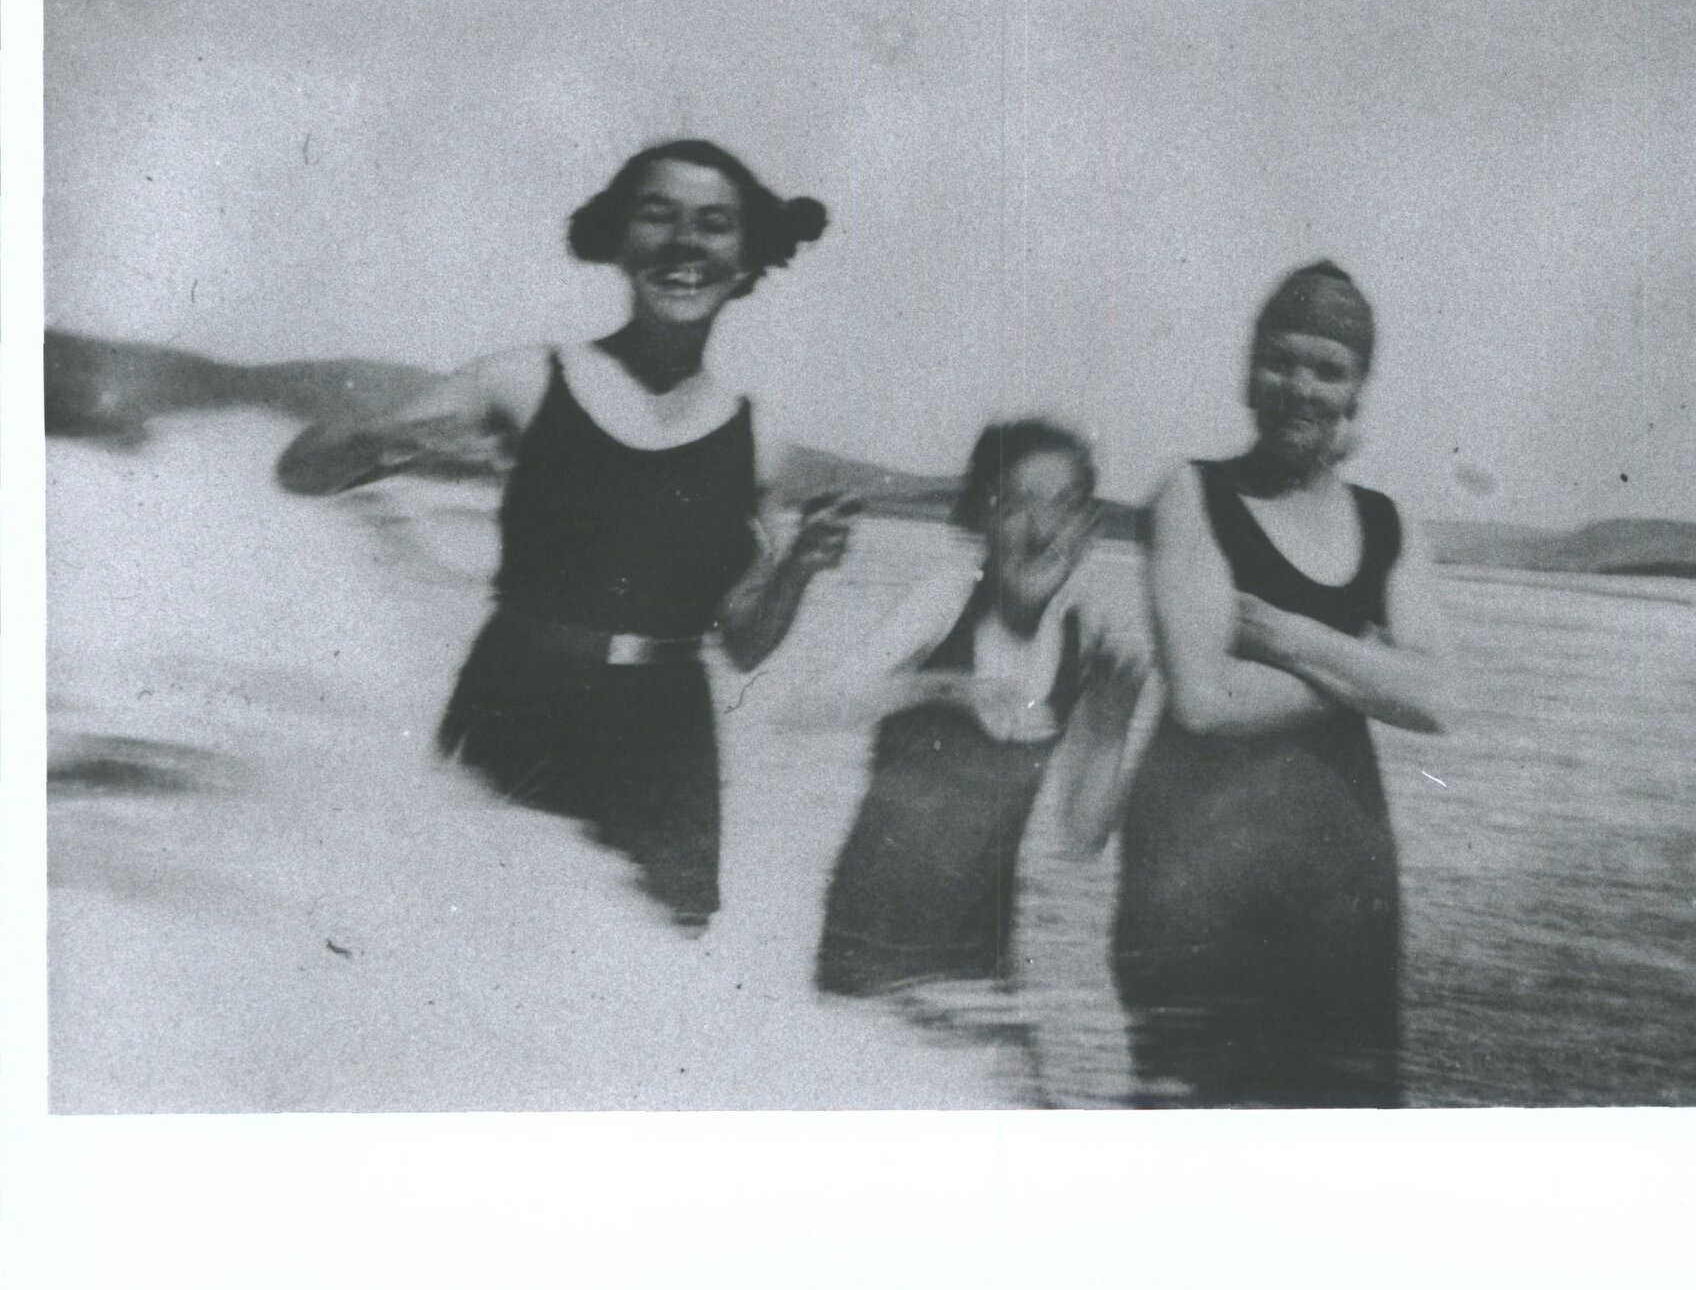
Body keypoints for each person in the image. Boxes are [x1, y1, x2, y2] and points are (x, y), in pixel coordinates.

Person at [276, 140, 855, 931]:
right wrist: (391, 443)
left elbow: (744, 644)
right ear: (619, 237)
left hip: (666, 733)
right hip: (520, 697)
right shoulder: (522, 379)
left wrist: (801, 570)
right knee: (471, 949)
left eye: (715, 224)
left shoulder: (760, 438)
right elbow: (299, 472)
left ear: (747, 254)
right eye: (659, 215)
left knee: (660, 985)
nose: (687, 242)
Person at [1112, 261, 1449, 1107]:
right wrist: (1361, 663)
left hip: (1343, 894)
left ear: (1357, 392)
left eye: (1328, 369)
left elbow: (1441, 698)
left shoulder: (1388, 522)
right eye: (1281, 360)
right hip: (1195, 879)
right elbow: (1203, 699)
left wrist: (1291, 636)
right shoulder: (1192, 495)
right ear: (1248, 370)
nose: (1302, 387)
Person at [797, 419, 1146, 998]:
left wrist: (1111, 734)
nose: (1042, 531)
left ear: (1088, 529)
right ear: (982, 517)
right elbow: (809, 709)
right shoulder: (945, 599)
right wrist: (936, 688)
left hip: (981, 957)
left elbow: (1081, 839)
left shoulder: (1082, 644)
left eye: (1063, 508)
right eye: (1017, 506)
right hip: (869, 948)